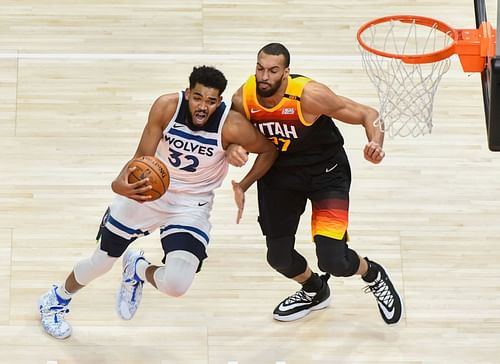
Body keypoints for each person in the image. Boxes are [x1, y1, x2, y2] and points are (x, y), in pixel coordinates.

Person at [38, 65, 278, 339]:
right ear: (188, 93)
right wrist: (119, 183)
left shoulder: (232, 126)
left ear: (219, 102)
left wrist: (243, 183)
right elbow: (142, 155)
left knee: (176, 284)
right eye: (198, 97)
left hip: (192, 203)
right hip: (149, 190)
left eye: (211, 101)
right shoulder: (166, 107)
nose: (203, 106)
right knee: (101, 263)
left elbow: (269, 149)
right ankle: (56, 299)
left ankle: (138, 269)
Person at [228, 43, 403, 324]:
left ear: (286, 72)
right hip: (280, 175)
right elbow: (231, 130)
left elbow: (368, 114)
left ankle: (373, 273)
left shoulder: (309, 96)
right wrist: (232, 148)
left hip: (326, 173)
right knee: (279, 258)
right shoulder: (244, 97)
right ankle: (315, 290)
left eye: (273, 71)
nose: (264, 77)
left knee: (334, 260)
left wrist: (375, 143)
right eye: (260, 69)